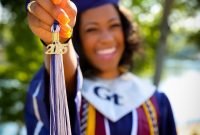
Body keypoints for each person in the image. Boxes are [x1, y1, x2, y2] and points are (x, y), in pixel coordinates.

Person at [25, 0, 177, 134]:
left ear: (124, 29)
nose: (107, 39)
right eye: (92, 29)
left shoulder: (155, 100)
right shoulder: (68, 91)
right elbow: (64, 79)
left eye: (114, 26)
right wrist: (60, 39)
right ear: (78, 38)